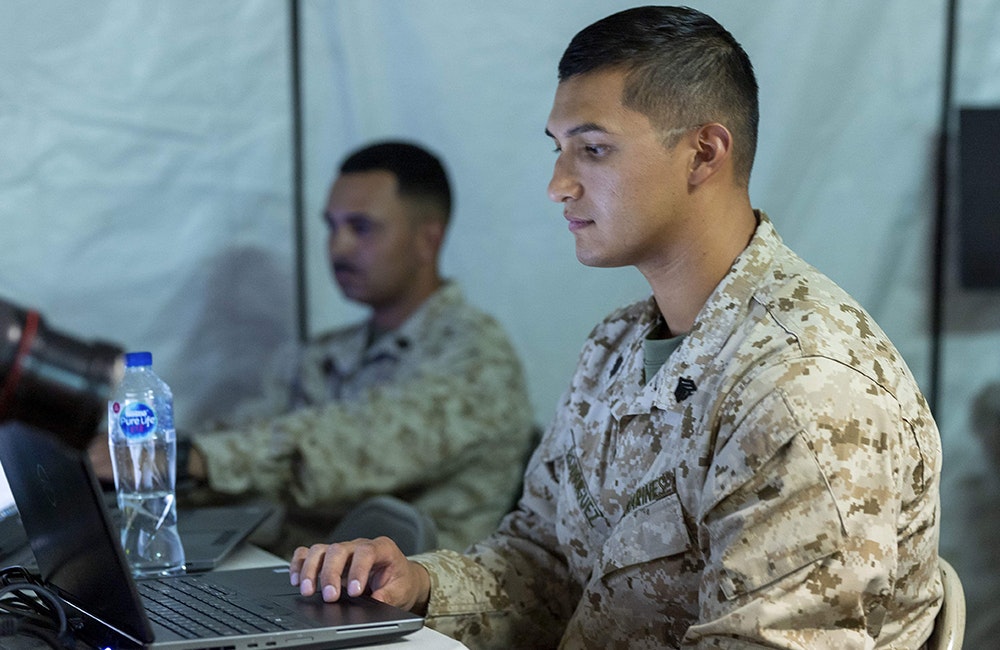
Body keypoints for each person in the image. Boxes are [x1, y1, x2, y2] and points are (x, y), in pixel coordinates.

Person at [288, 7, 944, 649]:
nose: (558, 185)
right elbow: (543, 563)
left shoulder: (804, 384)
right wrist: (420, 582)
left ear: (704, 154)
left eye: (593, 149)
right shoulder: (618, 346)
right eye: (558, 150)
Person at [91, 140, 536, 558]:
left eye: (360, 228)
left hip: (415, 614)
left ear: (427, 240)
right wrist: (136, 457)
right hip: (303, 583)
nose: (338, 247)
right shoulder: (323, 354)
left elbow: (356, 445)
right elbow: (245, 430)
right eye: (332, 226)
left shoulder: (477, 356)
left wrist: (191, 459)